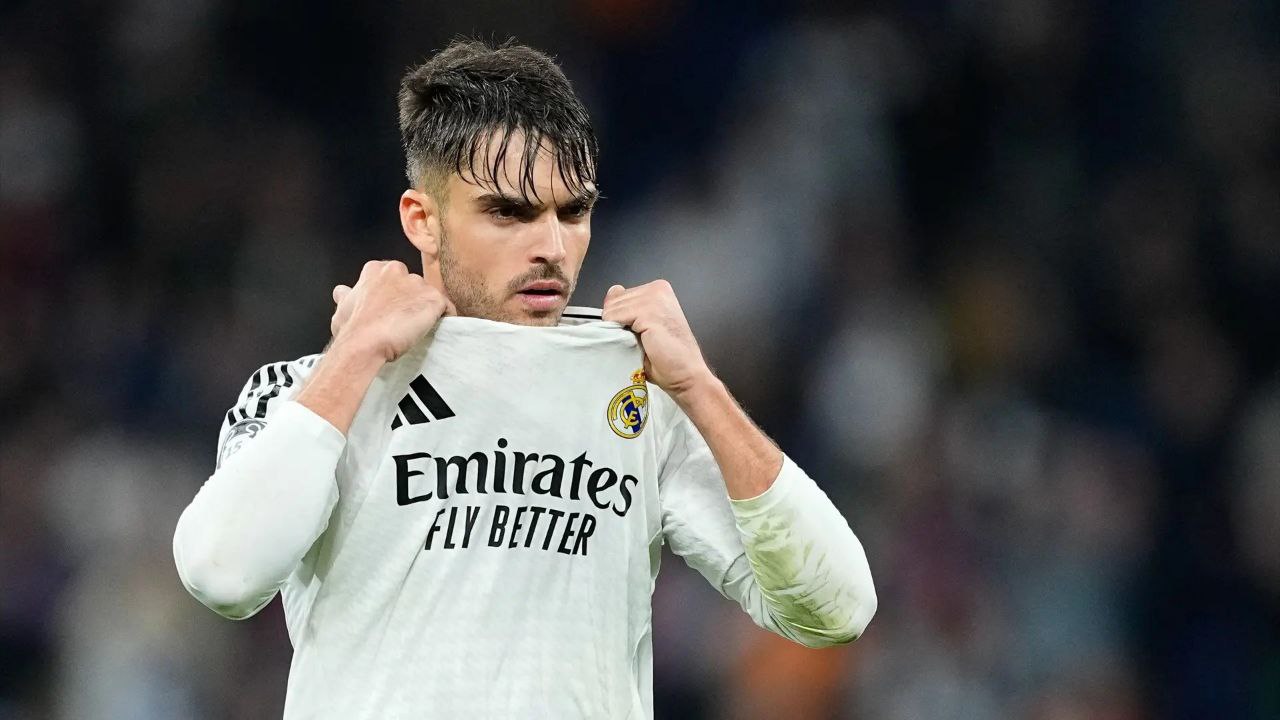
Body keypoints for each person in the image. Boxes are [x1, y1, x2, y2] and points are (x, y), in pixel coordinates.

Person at [173, 38, 876, 719]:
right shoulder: (310, 389)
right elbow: (222, 572)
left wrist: (699, 387)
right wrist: (354, 355)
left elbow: (836, 608)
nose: (551, 246)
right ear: (422, 220)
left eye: (573, 212)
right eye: (509, 212)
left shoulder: (640, 395)